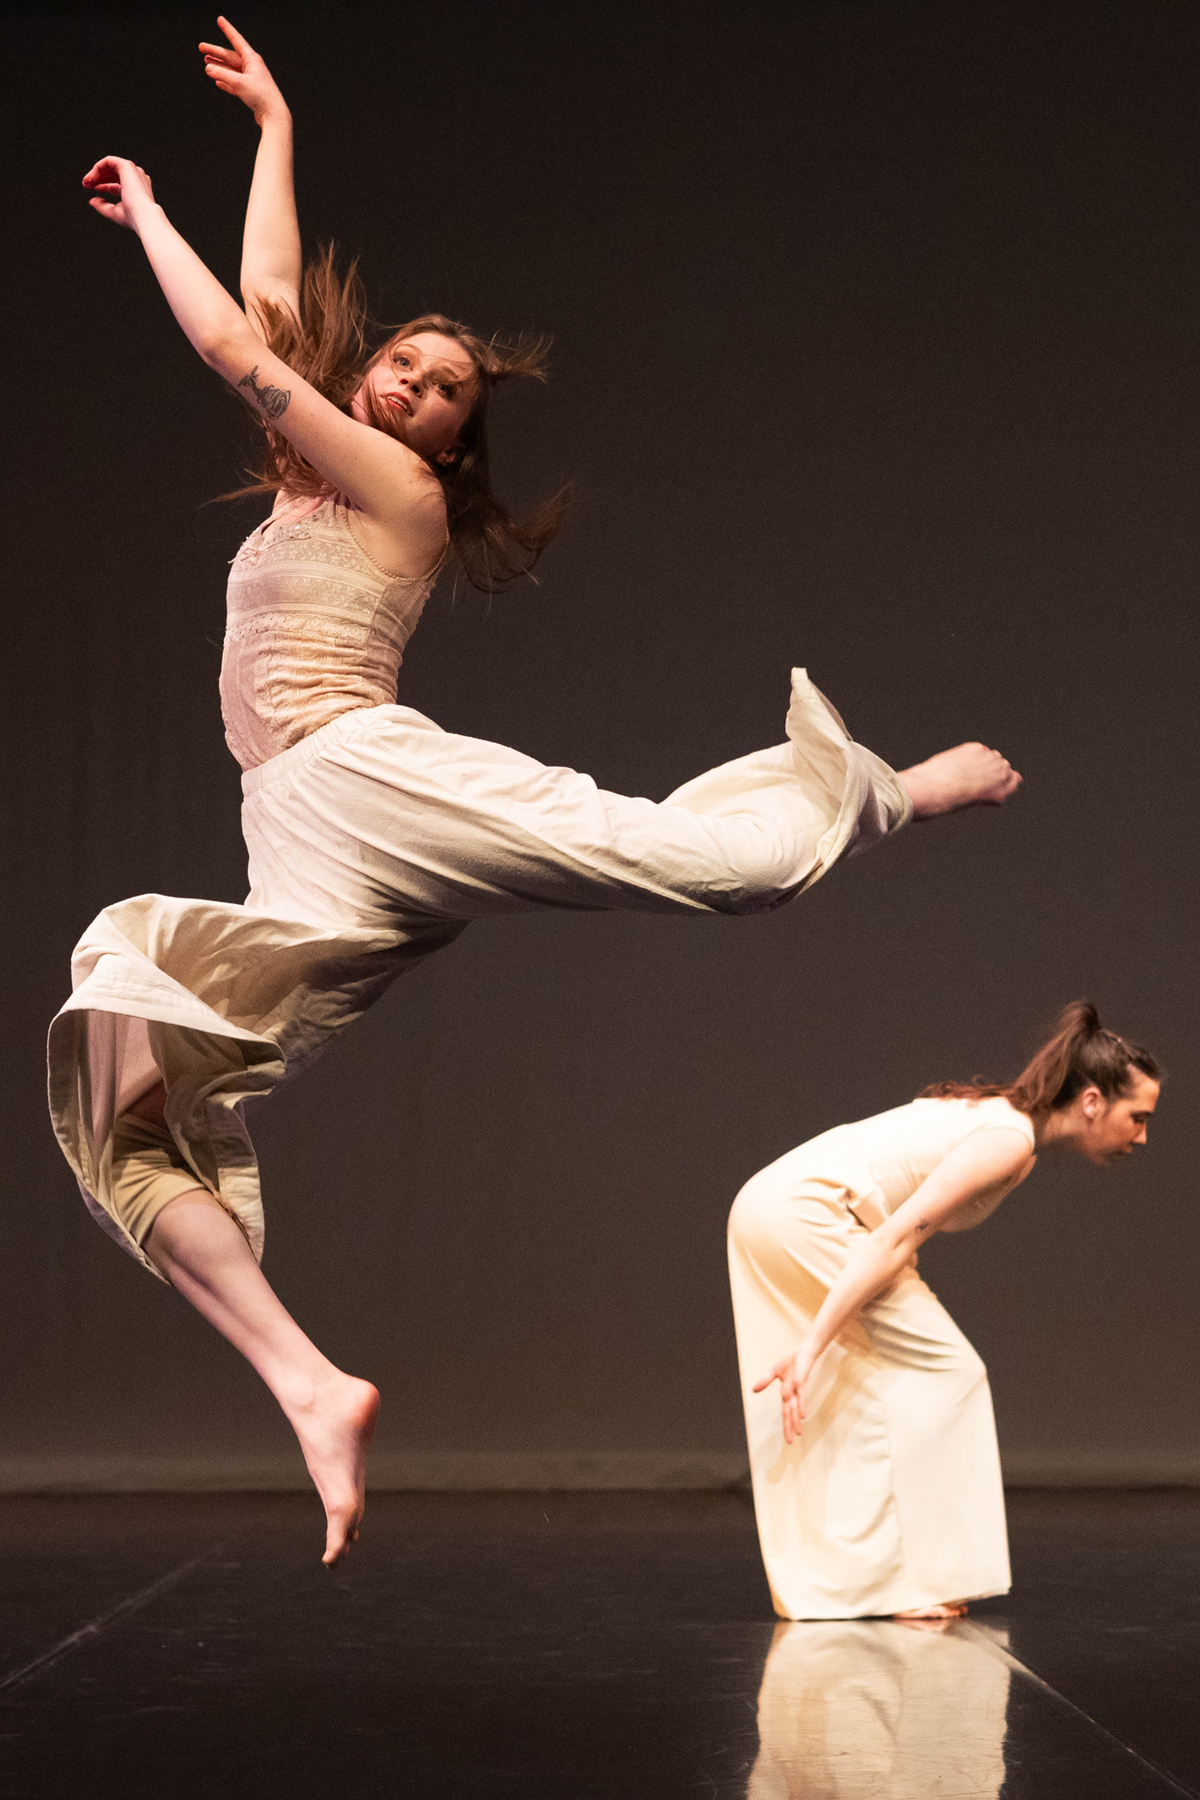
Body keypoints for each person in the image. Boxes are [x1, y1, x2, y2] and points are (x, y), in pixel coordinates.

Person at [53, 18, 1021, 1565]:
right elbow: (275, 308)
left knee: (699, 867)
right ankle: (309, 1385)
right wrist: (278, 129)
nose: (413, 386)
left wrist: (154, 212)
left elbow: (241, 348)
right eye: (400, 363)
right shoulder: (316, 469)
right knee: (123, 1098)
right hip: (295, 838)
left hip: (370, 777)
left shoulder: (399, 494)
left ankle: (890, 790)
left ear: (453, 442)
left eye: (445, 389)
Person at [730, 1001, 1160, 1621]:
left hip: (773, 1202)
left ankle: (865, 1579)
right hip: (806, 1215)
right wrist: (813, 1342)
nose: (1142, 1137)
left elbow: (895, 1222)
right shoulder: (1009, 1140)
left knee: (866, 1384)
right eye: (1137, 1117)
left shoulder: (1005, 1121)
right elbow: (892, 1238)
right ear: (1092, 1101)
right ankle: (906, 1581)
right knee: (949, 1371)